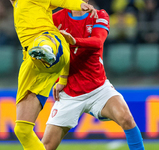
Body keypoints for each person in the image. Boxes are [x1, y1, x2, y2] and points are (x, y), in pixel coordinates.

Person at [41, 0, 145, 150]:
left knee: (127, 118)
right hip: (70, 93)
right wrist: (60, 78)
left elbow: (97, 42)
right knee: (47, 146)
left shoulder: (99, 15)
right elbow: (53, 51)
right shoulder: (55, 19)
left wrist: (73, 40)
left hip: (98, 88)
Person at [9, 0, 97, 150]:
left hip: (52, 43)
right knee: (22, 130)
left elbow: (62, 0)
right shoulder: (18, 3)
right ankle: (43, 53)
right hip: (32, 62)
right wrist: (63, 78)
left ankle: (45, 50)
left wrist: (78, 5)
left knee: (42, 41)